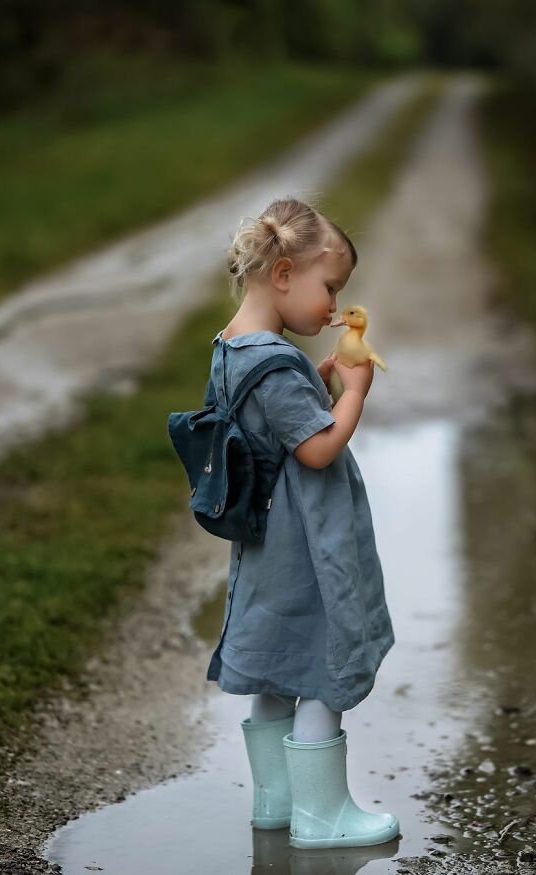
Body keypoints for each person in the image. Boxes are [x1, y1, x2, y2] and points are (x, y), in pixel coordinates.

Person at [204, 196, 399, 849]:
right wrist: (353, 396)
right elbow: (316, 447)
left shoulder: (232, 348)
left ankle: (276, 802)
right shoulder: (277, 361)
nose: (335, 306)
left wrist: (317, 385)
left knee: (275, 667)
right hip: (304, 542)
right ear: (284, 274)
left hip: (264, 543)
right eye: (331, 287)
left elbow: (275, 418)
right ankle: (323, 816)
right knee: (318, 659)